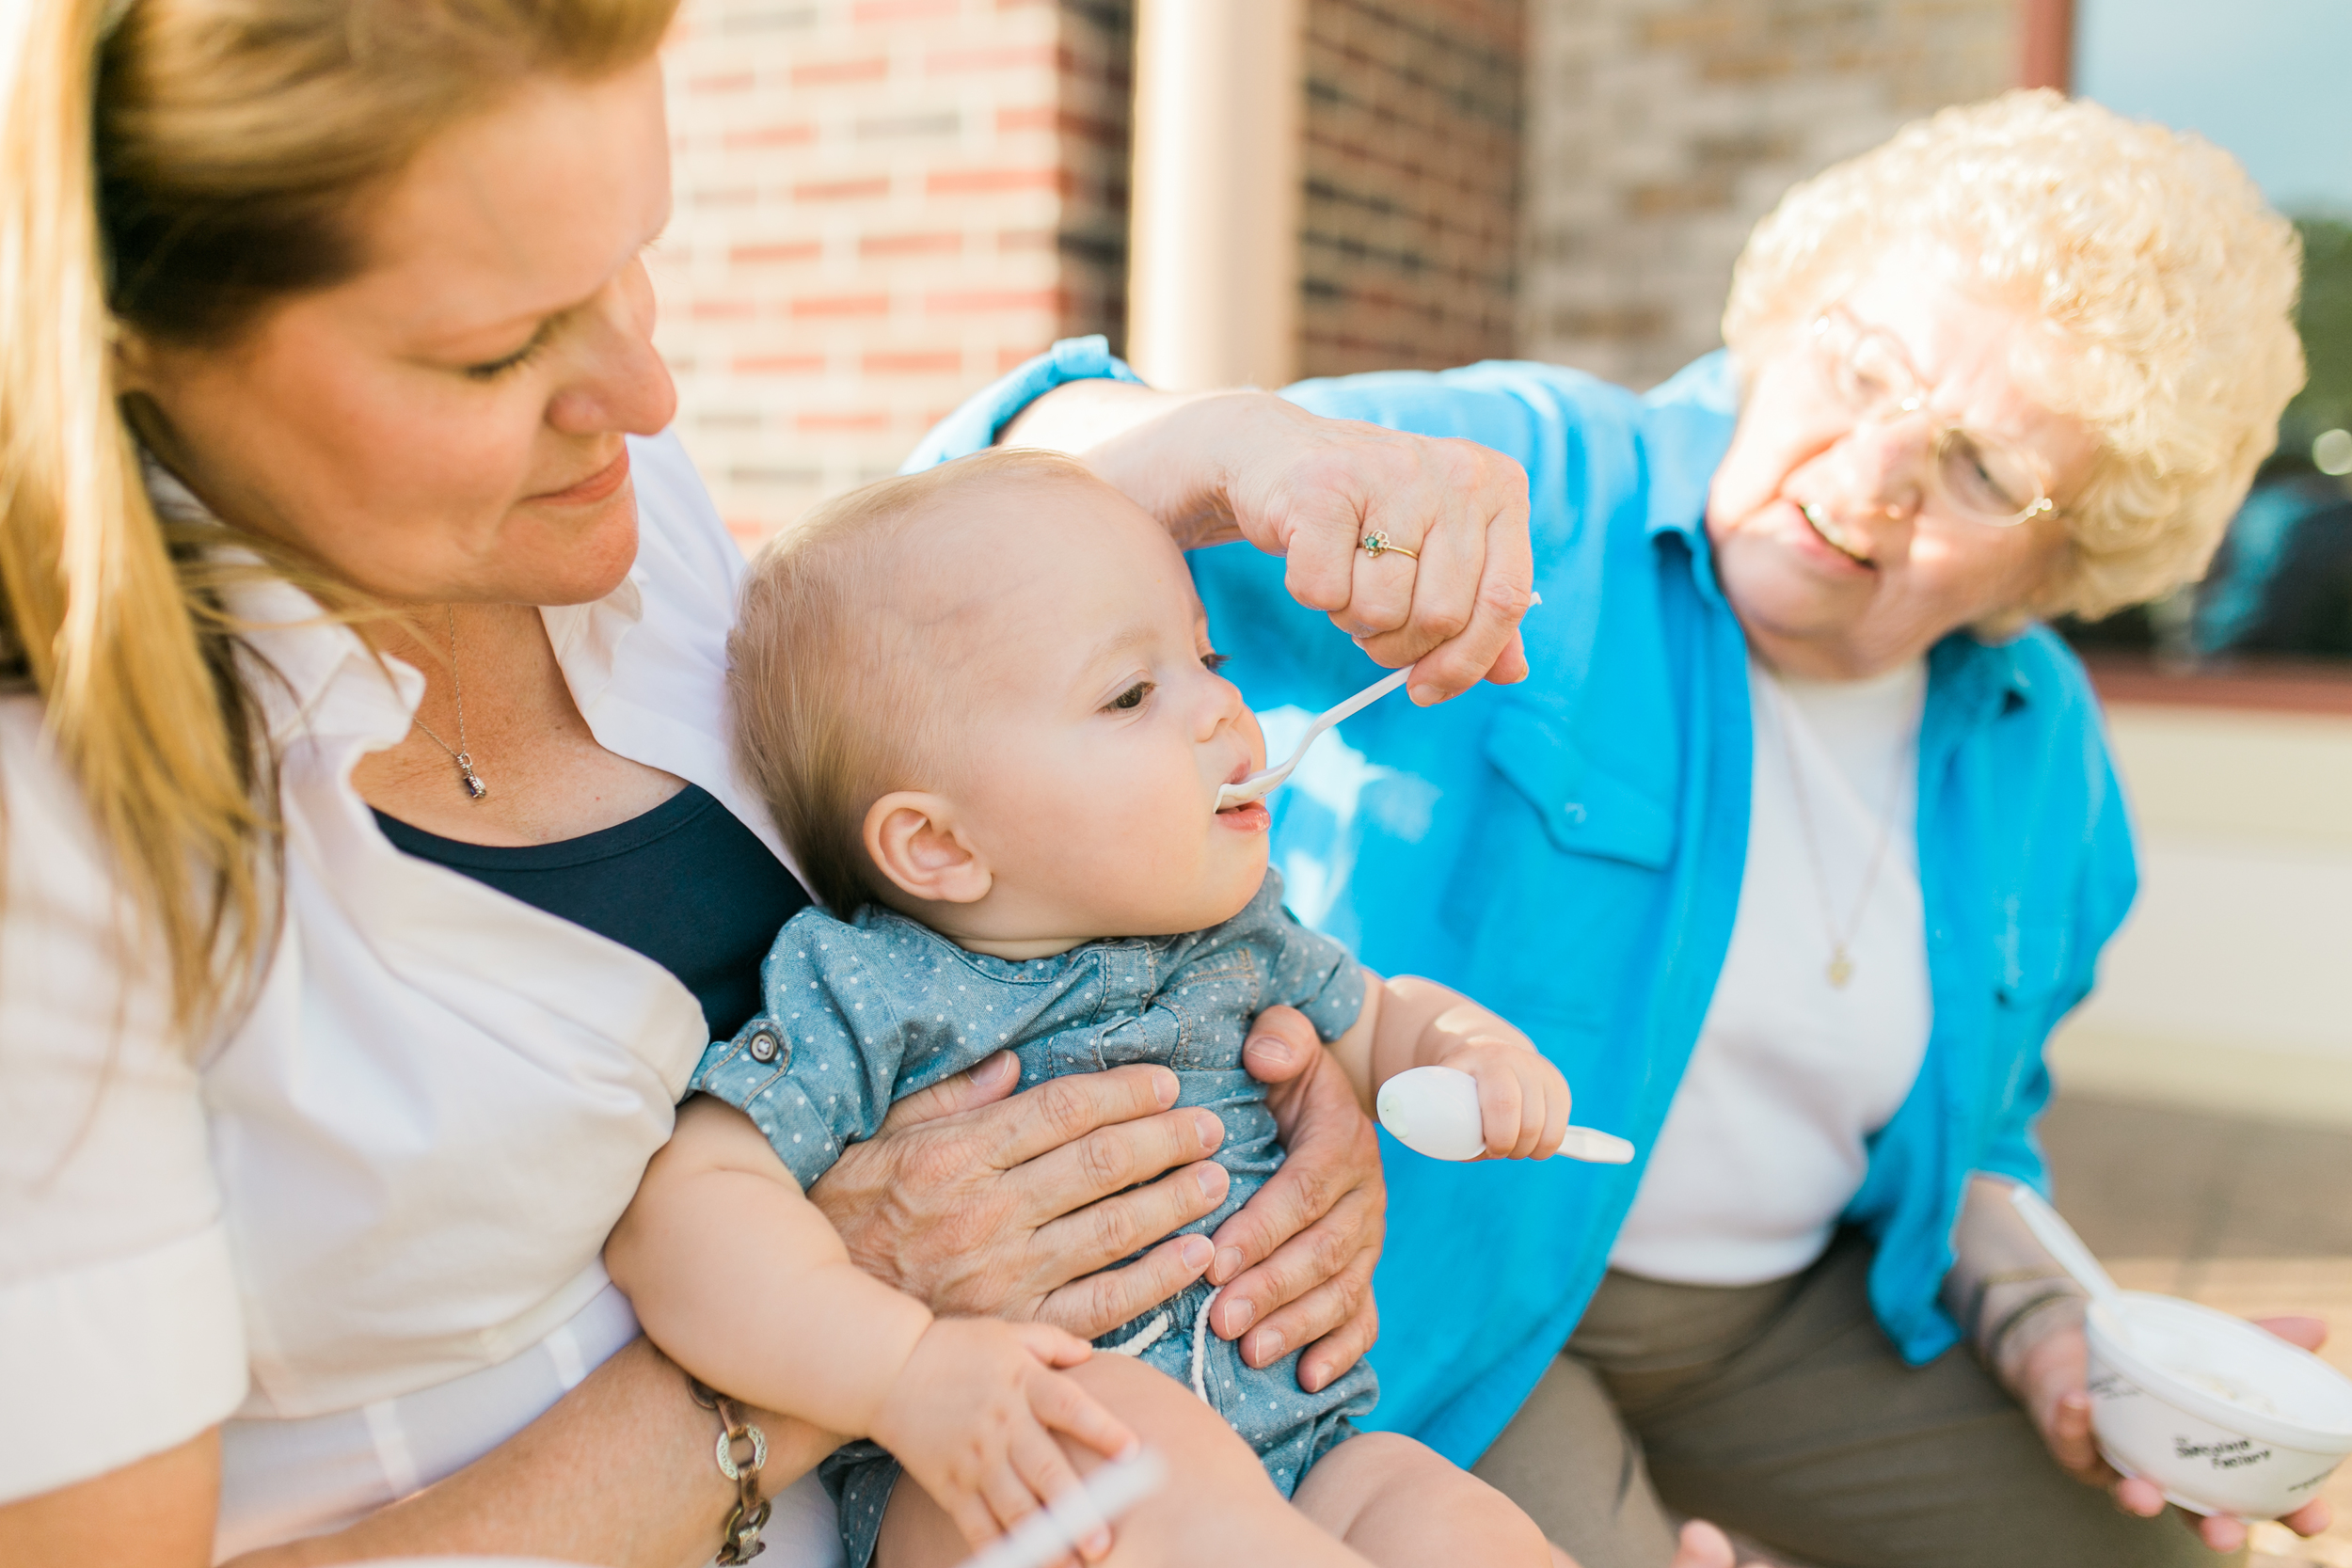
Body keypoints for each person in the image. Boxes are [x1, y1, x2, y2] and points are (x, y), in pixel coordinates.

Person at [0, 2, 1538, 1562]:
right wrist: (847, 1331)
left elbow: (918, 635)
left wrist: (1297, 1098)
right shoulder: (45, 850)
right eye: (494, 352)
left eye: (632, 259)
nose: (649, 396)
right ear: (133, 348)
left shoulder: (597, 490)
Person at [906, 91, 2332, 1568]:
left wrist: (2057, 1325)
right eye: (1860, 364)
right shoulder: (1525, 472)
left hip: (1786, 1319)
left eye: (1979, 467)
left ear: (2074, 546)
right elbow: (979, 497)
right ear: (1791, 315)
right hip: (1448, 1299)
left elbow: (1985, 1133)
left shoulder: (2047, 760)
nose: (1866, 475)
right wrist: (1234, 448)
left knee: (2162, 1553)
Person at [609, 449, 1601, 1568]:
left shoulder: (1243, 936)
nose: (1222, 701)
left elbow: (1381, 1015)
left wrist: (1467, 1051)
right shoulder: (872, 990)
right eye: (1132, 692)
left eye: (1205, 654)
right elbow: (682, 1215)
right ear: (938, 844)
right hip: (1006, 1468)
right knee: (1138, 1453)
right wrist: (898, 1371)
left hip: (1302, 1450)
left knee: (1437, 1505)